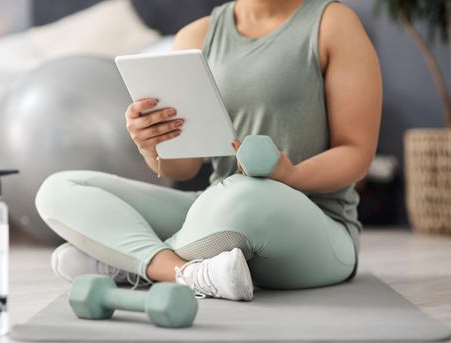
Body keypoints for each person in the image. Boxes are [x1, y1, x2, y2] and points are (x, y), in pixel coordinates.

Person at [36, 0, 382, 301]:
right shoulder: (196, 35)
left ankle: (125, 259)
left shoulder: (334, 23)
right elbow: (183, 168)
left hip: (310, 225)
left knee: (248, 196)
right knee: (59, 189)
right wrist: (151, 145)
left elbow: (356, 154)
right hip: (215, 206)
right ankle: (182, 273)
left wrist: (290, 176)